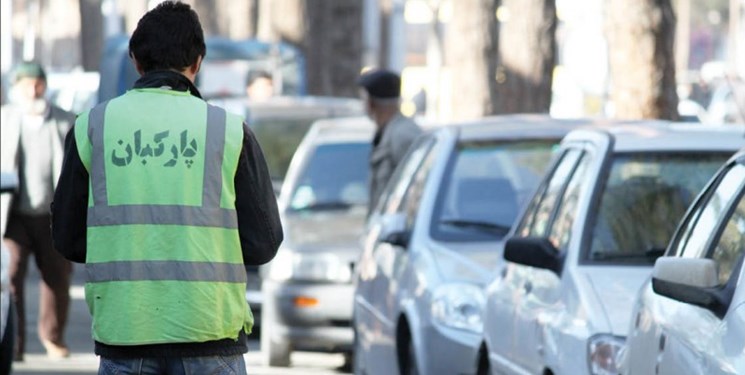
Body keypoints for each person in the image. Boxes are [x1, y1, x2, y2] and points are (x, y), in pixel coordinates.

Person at [51, 2, 282, 374]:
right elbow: (263, 243)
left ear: (135, 61)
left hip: (126, 334)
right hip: (210, 332)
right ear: (198, 62)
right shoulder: (229, 131)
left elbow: (68, 238)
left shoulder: (92, 127)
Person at [0, 61, 76, 361]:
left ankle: (53, 336)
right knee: (12, 273)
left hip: (52, 214)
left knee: (57, 277)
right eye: (27, 84)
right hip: (14, 213)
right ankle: (14, 344)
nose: (33, 90)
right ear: (16, 88)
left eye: (38, 83)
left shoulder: (64, 120)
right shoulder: (5, 119)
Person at [357, 69, 422, 214]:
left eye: (364, 99)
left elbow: (417, 189)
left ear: (371, 103)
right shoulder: (387, 133)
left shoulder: (403, 136)